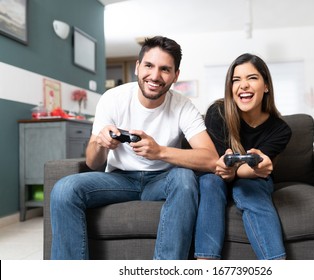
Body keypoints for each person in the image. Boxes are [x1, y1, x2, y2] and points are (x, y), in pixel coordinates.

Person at [50, 36, 218, 260]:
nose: (155, 76)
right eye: (149, 66)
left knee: (185, 179)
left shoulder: (183, 106)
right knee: (63, 189)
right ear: (138, 67)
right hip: (119, 180)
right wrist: (102, 144)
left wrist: (159, 152)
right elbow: (92, 163)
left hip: (163, 180)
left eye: (165, 69)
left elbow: (211, 159)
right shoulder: (113, 98)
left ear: (176, 75)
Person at [194, 53, 292, 260]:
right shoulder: (218, 112)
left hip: (253, 177)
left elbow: (248, 172)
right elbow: (219, 167)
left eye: (252, 78)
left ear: (266, 86)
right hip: (218, 176)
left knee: (250, 188)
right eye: (236, 80)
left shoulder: (280, 130)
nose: (243, 85)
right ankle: (205, 263)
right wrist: (226, 171)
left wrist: (256, 167)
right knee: (210, 181)